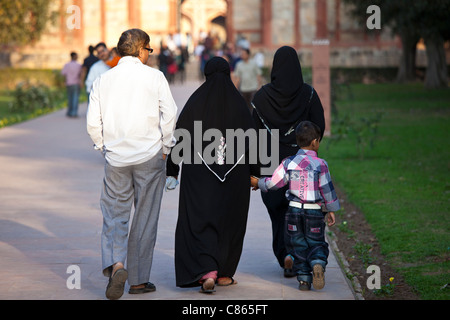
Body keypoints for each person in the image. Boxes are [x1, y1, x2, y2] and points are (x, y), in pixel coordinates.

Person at [87, 28, 178, 300]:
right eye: (148, 50)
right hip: (150, 156)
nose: (149, 55)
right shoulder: (155, 77)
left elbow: (93, 122)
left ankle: (117, 265)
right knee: (145, 217)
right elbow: (170, 115)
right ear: (140, 50)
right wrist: (165, 147)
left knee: (115, 214)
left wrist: (103, 147)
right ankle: (138, 281)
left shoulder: (104, 79)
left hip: (116, 158)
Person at [166, 57, 259, 294]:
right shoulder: (239, 104)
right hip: (235, 175)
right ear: (228, 74)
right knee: (230, 219)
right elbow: (252, 142)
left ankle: (207, 271)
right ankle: (225, 274)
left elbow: (181, 138)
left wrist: (172, 171)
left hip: (199, 174)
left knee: (200, 218)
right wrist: (255, 173)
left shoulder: (196, 102)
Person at [251, 46, 325, 277]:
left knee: (278, 215)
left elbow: (253, 135)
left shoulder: (261, 97)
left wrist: (254, 174)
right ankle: (300, 255)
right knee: (301, 215)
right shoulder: (309, 94)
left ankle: (285, 255)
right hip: (301, 162)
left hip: (269, 162)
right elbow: (319, 126)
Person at [251, 120, 339, 291]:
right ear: (315, 142)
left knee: (297, 245)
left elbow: (273, 183)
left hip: (293, 211)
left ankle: (304, 280)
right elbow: (327, 189)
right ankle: (317, 263)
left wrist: (258, 182)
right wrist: (331, 209)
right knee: (316, 242)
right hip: (314, 212)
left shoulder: (288, 162)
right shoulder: (321, 165)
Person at [233, 49, 262, 113]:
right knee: (244, 106)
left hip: (253, 88)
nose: (242, 55)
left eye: (244, 54)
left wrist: (259, 85)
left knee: (252, 106)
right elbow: (237, 77)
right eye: (241, 54)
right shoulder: (239, 65)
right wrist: (235, 88)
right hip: (243, 89)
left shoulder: (254, 64)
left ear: (248, 55)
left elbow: (258, 75)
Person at [61, 52, 82, 118]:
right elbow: (81, 74)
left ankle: (70, 112)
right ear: (75, 57)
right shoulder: (79, 65)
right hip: (76, 83)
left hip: (69, 83)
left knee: (70, 98)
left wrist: (65, 81)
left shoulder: (67, 65)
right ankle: (74, 112)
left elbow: (63, 73)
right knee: (75, 98)